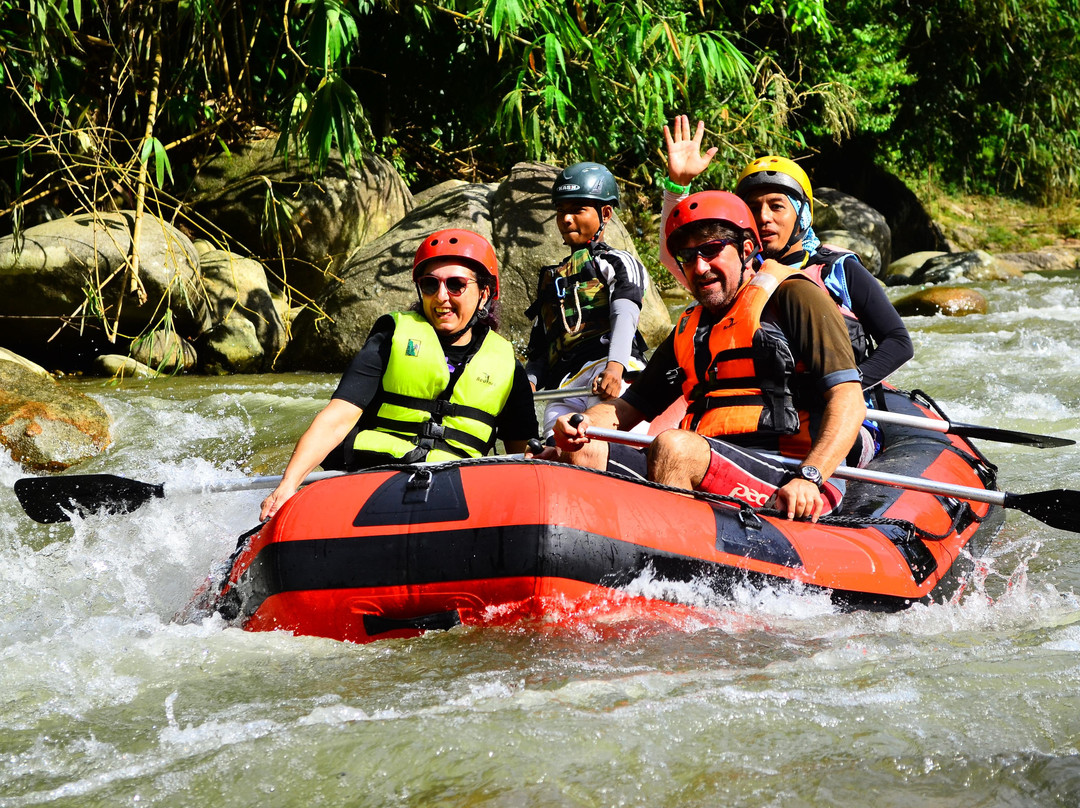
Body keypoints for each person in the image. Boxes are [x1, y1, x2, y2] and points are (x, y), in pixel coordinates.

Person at [553, 191, 866, 522]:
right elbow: (629, 408)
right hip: (707, 465)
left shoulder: (794, 297)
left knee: (674, 448)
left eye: (711, 250)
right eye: (688, 256)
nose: (700, 267)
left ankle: (674, 564)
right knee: (583, 449)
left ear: (746, 249)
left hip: (792, 473)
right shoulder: (689, 327)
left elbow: (849, 402)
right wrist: (581, 425)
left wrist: (810, 477)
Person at [260, 229, 539, 521]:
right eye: (430, 285)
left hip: (459, 494)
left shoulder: (508, 366)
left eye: (456, 285)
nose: (441, 296)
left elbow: (523, 457)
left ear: (483, 295)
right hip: (376, 479)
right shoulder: (390, 337)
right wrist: (288, 483)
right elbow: (339, 417)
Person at [660, 116, 913, 409]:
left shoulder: (838, 269)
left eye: (777, 206)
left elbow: (897, 341)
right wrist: (677, 186)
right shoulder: (736, 273)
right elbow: (675, 255)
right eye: (753, 208)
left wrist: (841, 386)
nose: (764, 217)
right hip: (760, 414)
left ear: (803, 214)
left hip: (835, 410)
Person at [525, 161, 650, 436]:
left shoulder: (617, 261)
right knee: (556, 452)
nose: (566, 219)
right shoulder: (551, 280)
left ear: (605, 213)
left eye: (577, 210)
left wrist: (615, 367)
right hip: (565, 388)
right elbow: (540, 350)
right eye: (561, 211)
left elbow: (625, 314)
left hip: (609, 372)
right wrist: (527, 387)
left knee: (608, 450)